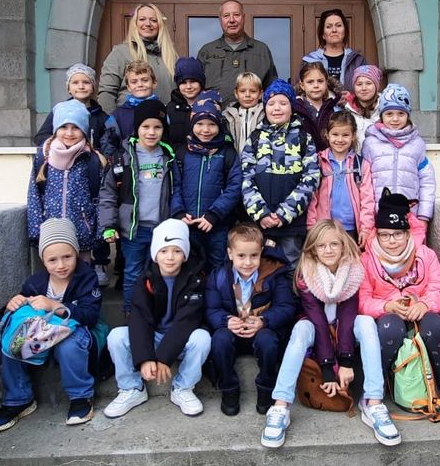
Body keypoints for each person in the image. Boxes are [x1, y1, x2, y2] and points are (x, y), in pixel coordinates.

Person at [261, 219, 399, 448]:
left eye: (334, 244)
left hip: (344, 329)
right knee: (300, 329)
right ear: (313, 249)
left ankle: (373, 401)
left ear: (344, 246)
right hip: (317, 330)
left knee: (365, 323)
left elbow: (348, 316)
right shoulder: (306, 273)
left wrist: (345, 361)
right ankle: (280, 405)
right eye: (321, 246)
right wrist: (327, 369)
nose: (328, 250)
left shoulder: (353, 270)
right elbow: (317, 321)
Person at [359, 190, 440, 419]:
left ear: (407, 234)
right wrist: (386, 306)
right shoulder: (367, 259)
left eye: (396, 234)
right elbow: (362, 301)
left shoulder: (425, 255)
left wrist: (424, 303)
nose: (391, 241)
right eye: (384, 235)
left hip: (419, 313)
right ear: (377, 235)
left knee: (437, 326)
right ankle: (375, 387)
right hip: (388, 316)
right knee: (389, 328)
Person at [0, 218, 101, 431]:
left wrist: (55, 305)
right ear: (43, 261)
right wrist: (11, 305)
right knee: (12, 338)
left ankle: (80, 396)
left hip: (75, 331)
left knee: (69, 345)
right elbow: (17, 313)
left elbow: (90, 315)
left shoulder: (87, 278)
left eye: (67, 257)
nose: (61, 265)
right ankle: (18, 399)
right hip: (41, 336)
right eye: (52, 260)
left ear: (76, 253)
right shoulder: (35, 282)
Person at [103, 219, 212, 418]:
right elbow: (139, 318)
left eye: (177, 251)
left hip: (180, 340)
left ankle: (183, 388)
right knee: (116, 337)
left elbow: (187, 321)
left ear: (185, 254)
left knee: (202, 338)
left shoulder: (195, 279)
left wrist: (163, 357)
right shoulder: (145, 279)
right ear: (155, 254)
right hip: (153, 337)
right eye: (163, 251)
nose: (170, 257)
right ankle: (132, 388)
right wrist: (145, 358)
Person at [99, 99, 182, 313]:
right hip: (133, 230)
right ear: (137, 128)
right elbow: (108, 194)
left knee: (158, 272)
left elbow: (178, 190)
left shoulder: (169, 157)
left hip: (161, 230)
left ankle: (154, 313)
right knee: (133, 274)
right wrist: (108, 225)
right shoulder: (123, 158)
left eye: (157, 127)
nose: (151, 132)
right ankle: (131, 313)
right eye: (146, 126)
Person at [205, 223, 296, 416]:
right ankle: (229, 388)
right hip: (232, 332)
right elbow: (211, 309)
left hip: (260, 331)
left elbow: (286, 307)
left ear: (261, 252)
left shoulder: (274, 275)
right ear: (230, 254)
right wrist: (225, 320)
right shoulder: (219, 276)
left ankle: (266, 388)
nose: (248, 262)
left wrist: (264, 320)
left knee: (268, 340)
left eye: (254, 255)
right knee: (219, 339)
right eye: (241, 256)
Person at [241, 79, 320, 266]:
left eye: (283, 103)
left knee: (291, 267)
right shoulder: (255, 138)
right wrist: (261, 213)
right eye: (271, 103)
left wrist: (285, 213)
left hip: (291, 224)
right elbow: (246, 179)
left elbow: (311, 178)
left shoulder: (303, 138)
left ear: (292, 108)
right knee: (260, 268)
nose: (277, 108)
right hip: (261, 222)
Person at [26, 101, 103, 271]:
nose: (69, 133)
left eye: (75, 127)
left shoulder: (92, 160)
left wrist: (98, 232)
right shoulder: (43, 158)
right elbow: (34, 196)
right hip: (50, 235)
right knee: (55, 278)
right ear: (55, 130)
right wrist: (36, 231)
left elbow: (100, 197)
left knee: (82, 279)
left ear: (83, 130)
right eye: (64, 127)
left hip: (82, 234)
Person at [171, 90, 243, 270]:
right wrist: (179, 213)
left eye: (211, 124)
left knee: (218, 267)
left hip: (216, 224)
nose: (205, 129)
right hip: (189, 224)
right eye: (200, 124)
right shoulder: (182, 153)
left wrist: (214, 214)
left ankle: (217, 298)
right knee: (190, 267)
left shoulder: (227, 153)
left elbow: (234, 187)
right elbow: (175, 186)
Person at [361, 83, 434, 245]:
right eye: (389, 114)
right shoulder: (370, 144)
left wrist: (423, 216)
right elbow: (364, 185)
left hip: (410, 216)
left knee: (410, 257)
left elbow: (427, 182)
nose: (395, 119)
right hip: (379, 216)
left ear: (408, 115)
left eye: (401, 113)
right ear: (381, 115)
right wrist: (367, 218)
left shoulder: (417, 145)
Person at [306, 112, 376, 245]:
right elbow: (312, 198)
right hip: (324, 229)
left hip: (352, 229)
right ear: (327, 134)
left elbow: (368, 200)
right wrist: (312, 227)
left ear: (353, 136)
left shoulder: (361, 165)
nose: (340, 139)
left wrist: (366, 228)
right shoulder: (318, 162)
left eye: (345, 135)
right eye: (335, 134)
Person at [98, 3, 178, 113]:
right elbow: (107, 92)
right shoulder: (120, 52)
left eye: (153, 20)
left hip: (164, 123)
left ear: (160, 25)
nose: (148, 24)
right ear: (135, 23)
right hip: (129, 124)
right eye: (142, 19)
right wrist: (111, 123)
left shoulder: (171, 56)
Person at [33, 63, 118, 162]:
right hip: (62, 162)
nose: (81, 86)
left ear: (93, 87)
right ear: (69, 88)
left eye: (86, 82)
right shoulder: (59, 112)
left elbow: (111, 143)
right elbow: (40, 137)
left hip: (90, 164)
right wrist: (60, 145)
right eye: (75, 83)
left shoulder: (102, 117)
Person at [198, 0, 277, 100]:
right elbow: (195, 88)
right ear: (220, 20)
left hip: (253, 114)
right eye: (226, 16)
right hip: (214, 114)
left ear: (243, 18)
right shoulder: (207, 51)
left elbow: (272, 89)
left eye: (236, 15)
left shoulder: (261, 50)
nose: (231, 20)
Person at [301, 9, 366, 91]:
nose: (334, 30)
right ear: (323, 34)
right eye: (329, 27)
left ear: (345, 31)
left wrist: (350, 98)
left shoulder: (357, 61)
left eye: (338, 26)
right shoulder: (309, 61)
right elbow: (300, 91)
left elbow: (365, 89)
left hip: (350, 104)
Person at [291, 61, 340, 152]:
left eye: (320, 81)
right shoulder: (294, 110)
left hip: (329, 162)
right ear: (302, 85)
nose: (316, 86)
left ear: (326, 83)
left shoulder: (335, 110)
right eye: (310, 82)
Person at [110, 60, 162, 142]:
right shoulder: (117, 115)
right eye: (134, 82)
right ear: (128, 87)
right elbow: (109, 142)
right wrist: (121, 155)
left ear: (154, 83)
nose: (140, 85)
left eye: (145, 80)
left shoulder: (162, 111)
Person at [166, 57, 207, 155]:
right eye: (183, 82)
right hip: (177, 162)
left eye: (193, 81)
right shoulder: (170, 109)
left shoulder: (211, 105)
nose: (188, 87)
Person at [339, 64, 382, 146]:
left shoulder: (385, 110)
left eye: (369, 83)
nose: (364, 88)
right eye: (359, 84)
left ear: (376, 86)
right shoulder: (346, 110)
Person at [224, 71, 265, 154]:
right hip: (235, 164)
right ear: (236, 93)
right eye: (242, 91)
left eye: (253, 91)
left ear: (260, 94)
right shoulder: (227, 116)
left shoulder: (266, 115)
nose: (247, 95)